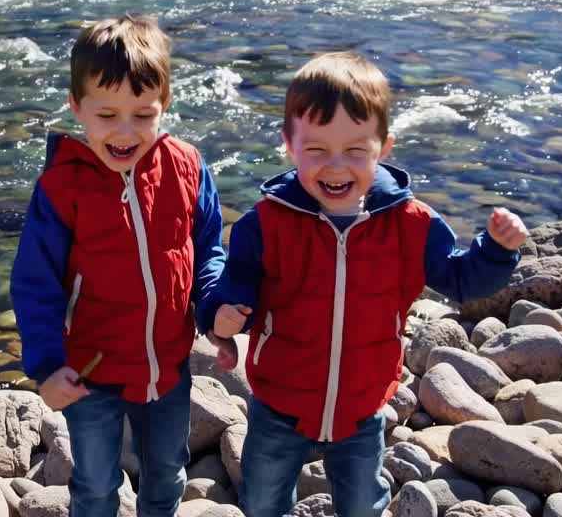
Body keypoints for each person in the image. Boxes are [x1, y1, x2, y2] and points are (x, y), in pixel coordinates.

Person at [196, 51, 529, 517]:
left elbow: (459, 279)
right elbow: (236, 286)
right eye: (316, 151)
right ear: (289, 147)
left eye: (355, 151)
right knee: (264, 497)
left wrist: (495, 250)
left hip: (361, 404)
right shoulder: (266, 223)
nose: (336, 167)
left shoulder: (410, 224)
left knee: (363, 502)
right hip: (280, 401)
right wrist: (219, 317)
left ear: (384, 147)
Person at [10, 15, 226, 517]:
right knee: (95, 483)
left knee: (167, 472)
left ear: (164, 105)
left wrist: (216, 310)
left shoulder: (187, 168)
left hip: (166, 365)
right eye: (107, 116)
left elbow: (208, 250)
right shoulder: (63, 188)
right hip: (90, 371)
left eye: (142, 114)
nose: (125, 132)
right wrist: (45, 366)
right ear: (77, 108)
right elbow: (35, 283)